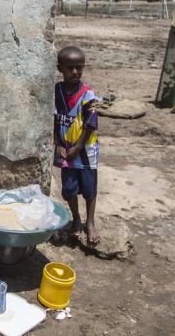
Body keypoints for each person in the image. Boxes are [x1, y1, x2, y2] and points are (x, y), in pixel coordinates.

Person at [54, 46, 100, 245]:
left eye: (79, 68)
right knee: (69, 188)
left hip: (85, 149)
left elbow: (91, 122)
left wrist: (79, 147)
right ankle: (76, 218)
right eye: (70, 68)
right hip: (65, 149)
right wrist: (57, 144)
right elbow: (54, 119)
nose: (75, 72)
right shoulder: (56, 91)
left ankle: (90, 222)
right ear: (60, 69)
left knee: (89, 188)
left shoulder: (88, 93)